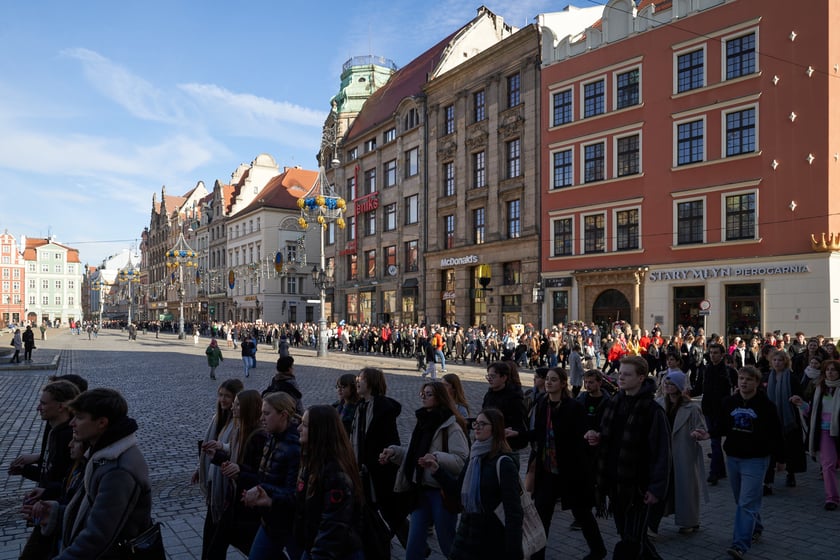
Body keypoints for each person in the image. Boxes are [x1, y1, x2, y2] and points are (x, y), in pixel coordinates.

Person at [32, 388, 154, 558]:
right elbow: (91, 510)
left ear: (102, 423)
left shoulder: (118, 469)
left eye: (80, 417)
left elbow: (98, 538)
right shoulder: (101, 454)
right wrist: (58, 513)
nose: (71, 423)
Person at [695, 366, 785, 560]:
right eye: (741, 379)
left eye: (749, 379)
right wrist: (708, 434)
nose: (744, 382)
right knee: (742, 500)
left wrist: (780, 458)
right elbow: (723, 426)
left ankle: (740, 544)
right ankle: (756, 526)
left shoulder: (766, 406)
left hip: (756, 459)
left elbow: (776, 433)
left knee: (746, 502)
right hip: (734, 458)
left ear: (757, 383)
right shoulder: (729, 402)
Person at [585, 356, 670, 559]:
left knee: (631, 542)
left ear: (641, 377)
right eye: (620, 373)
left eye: (627, 374)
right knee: (629, 536)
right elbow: (610, 436)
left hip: (639, 486)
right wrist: (597, 437)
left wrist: (656, 488)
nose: (621, 378)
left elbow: (662, 452)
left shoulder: (652, 410)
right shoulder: (615, 402)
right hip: (616, 482)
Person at [380, 381, 469, 560]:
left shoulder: (451, 427)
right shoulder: (422, 422)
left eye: (429, 394)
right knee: (414, 546)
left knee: (447, 543)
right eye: (423, 394)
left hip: (441, 493)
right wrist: (394, 452)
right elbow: (415, 455)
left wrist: (436, 457)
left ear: (440, 398)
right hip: (420, 491)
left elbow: (462, 461)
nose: (424, 397)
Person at [529, 368, 607, 560]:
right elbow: (538, 433)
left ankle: (598, 550)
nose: (548, 383)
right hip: (547, 469)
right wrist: (519, 435)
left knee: (582, 514)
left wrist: (590, 436)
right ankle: (537, 556)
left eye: (553, 380)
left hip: (571, 470)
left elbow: (581, 436)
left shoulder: (574, 407)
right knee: (542, 516)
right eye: (547, 379)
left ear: (563, 383)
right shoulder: (541, 403)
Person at [431, 408, 523, 560]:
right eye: (476, 424)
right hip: (467, 531)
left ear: (495, 428)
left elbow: (513, 511)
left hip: (492, 537)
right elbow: (457, 490)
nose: (477, 427)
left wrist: (514, 550)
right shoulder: (475, 456)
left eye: (483, 424)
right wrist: (436, 470)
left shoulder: (504, 463)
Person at [11, 380, 80, 560]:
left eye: (43, 403)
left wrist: (46, 492)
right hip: (44, 508)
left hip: (55, 511)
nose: (38, 408)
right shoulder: (52, 428)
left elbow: (70, 482)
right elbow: (48, 471)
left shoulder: (69, 437)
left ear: (61, 406)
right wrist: (25, 470)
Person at [294, 405, 365, 559]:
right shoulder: (311, 460)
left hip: (336, 553)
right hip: (314, 545)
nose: (299, 428)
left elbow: (334, 525)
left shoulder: (335, 473)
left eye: (305, 425)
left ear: (319, 431)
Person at [206, 390, 266, 558]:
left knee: (250, 547)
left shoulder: (258, 437)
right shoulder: (238, 431)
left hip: (247, 504)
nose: (233, 407)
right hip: (233, 501)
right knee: (216, 547)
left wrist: (239, 472)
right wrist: (217, 457)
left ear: (248, 407)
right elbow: (235, 461)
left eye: (238, 404)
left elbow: (260, 476)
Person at [242, 391, 302, 560]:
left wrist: (263, 490)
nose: (261, 418)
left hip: (289, 524)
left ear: (283, 415)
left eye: (267, 413)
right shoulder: (272, 438)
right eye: (262, 412)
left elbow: (293, 494)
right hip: (270, 520)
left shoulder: (294, 448)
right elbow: (265, 476)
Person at [649, 370, 709, 536]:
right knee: (660, 487)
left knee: (686, 488)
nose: (668, 386)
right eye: (666, 383)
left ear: (680, 387)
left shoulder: (691, 408)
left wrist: (698, 433)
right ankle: (652, 524)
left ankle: (690, 521)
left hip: (684, 452)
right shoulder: (659, 403)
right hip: (662, 453)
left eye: (672, 384)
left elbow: (702, 428)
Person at [350, 367, 405, 547]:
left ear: (372, 383)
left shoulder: (383, 408)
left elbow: (392, 439)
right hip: (363, 467)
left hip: (380, 468)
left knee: (390, 511)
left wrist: (383, 456)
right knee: (370, 510)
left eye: (362, 378)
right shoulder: (361, 406)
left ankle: (415, 545)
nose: (357, 381)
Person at [192, 378, 243, 560]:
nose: (223, 400)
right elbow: (209, 447)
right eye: (220, 395)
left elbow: (233, 451)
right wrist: (201, 468)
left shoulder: (239, 422)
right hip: (215, 484)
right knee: (212, 538)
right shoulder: (218, 418)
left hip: (226, 488)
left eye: (227, 396)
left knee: (217, 541)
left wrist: (221, 449)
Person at [763, 350, 806, 493]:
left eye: (780, 360)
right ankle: (767, 483)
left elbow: (800, 394)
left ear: (785, 362)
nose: (777, 363)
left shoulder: (792, 377)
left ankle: (790, 473)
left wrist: (795, 398)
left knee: (790, 448)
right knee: (770, 451)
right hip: (771, 420)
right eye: (774, 360)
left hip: (789, 418)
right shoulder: (768, 377)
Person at [697, 342, 738, 485]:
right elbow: (699, 387)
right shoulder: (705, 369)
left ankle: (717, 471)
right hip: (708, 409)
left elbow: (737, 389)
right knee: (714, 442)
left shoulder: (729, 371)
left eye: (716, 353)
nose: (713, 355)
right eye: (711, 352)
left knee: (717, 441)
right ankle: (717, 471)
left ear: (722, 355)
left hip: (723, 410)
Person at [803, 359, 840, 510]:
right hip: (825, 432)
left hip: (838, 431)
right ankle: (832, 498)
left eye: (833, 370)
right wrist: (801, 405)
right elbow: (811, 410)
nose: (830, 372)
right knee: (828, 465)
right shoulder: (819, 389)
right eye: (827, 370)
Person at [482, 361, 529, 450]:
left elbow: (520, 424)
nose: (489, 379)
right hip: (489, 440)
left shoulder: (514, 398)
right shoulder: (489, 394)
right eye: (488, 376)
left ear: (504, 378)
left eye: (493, 376)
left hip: (506, 444)